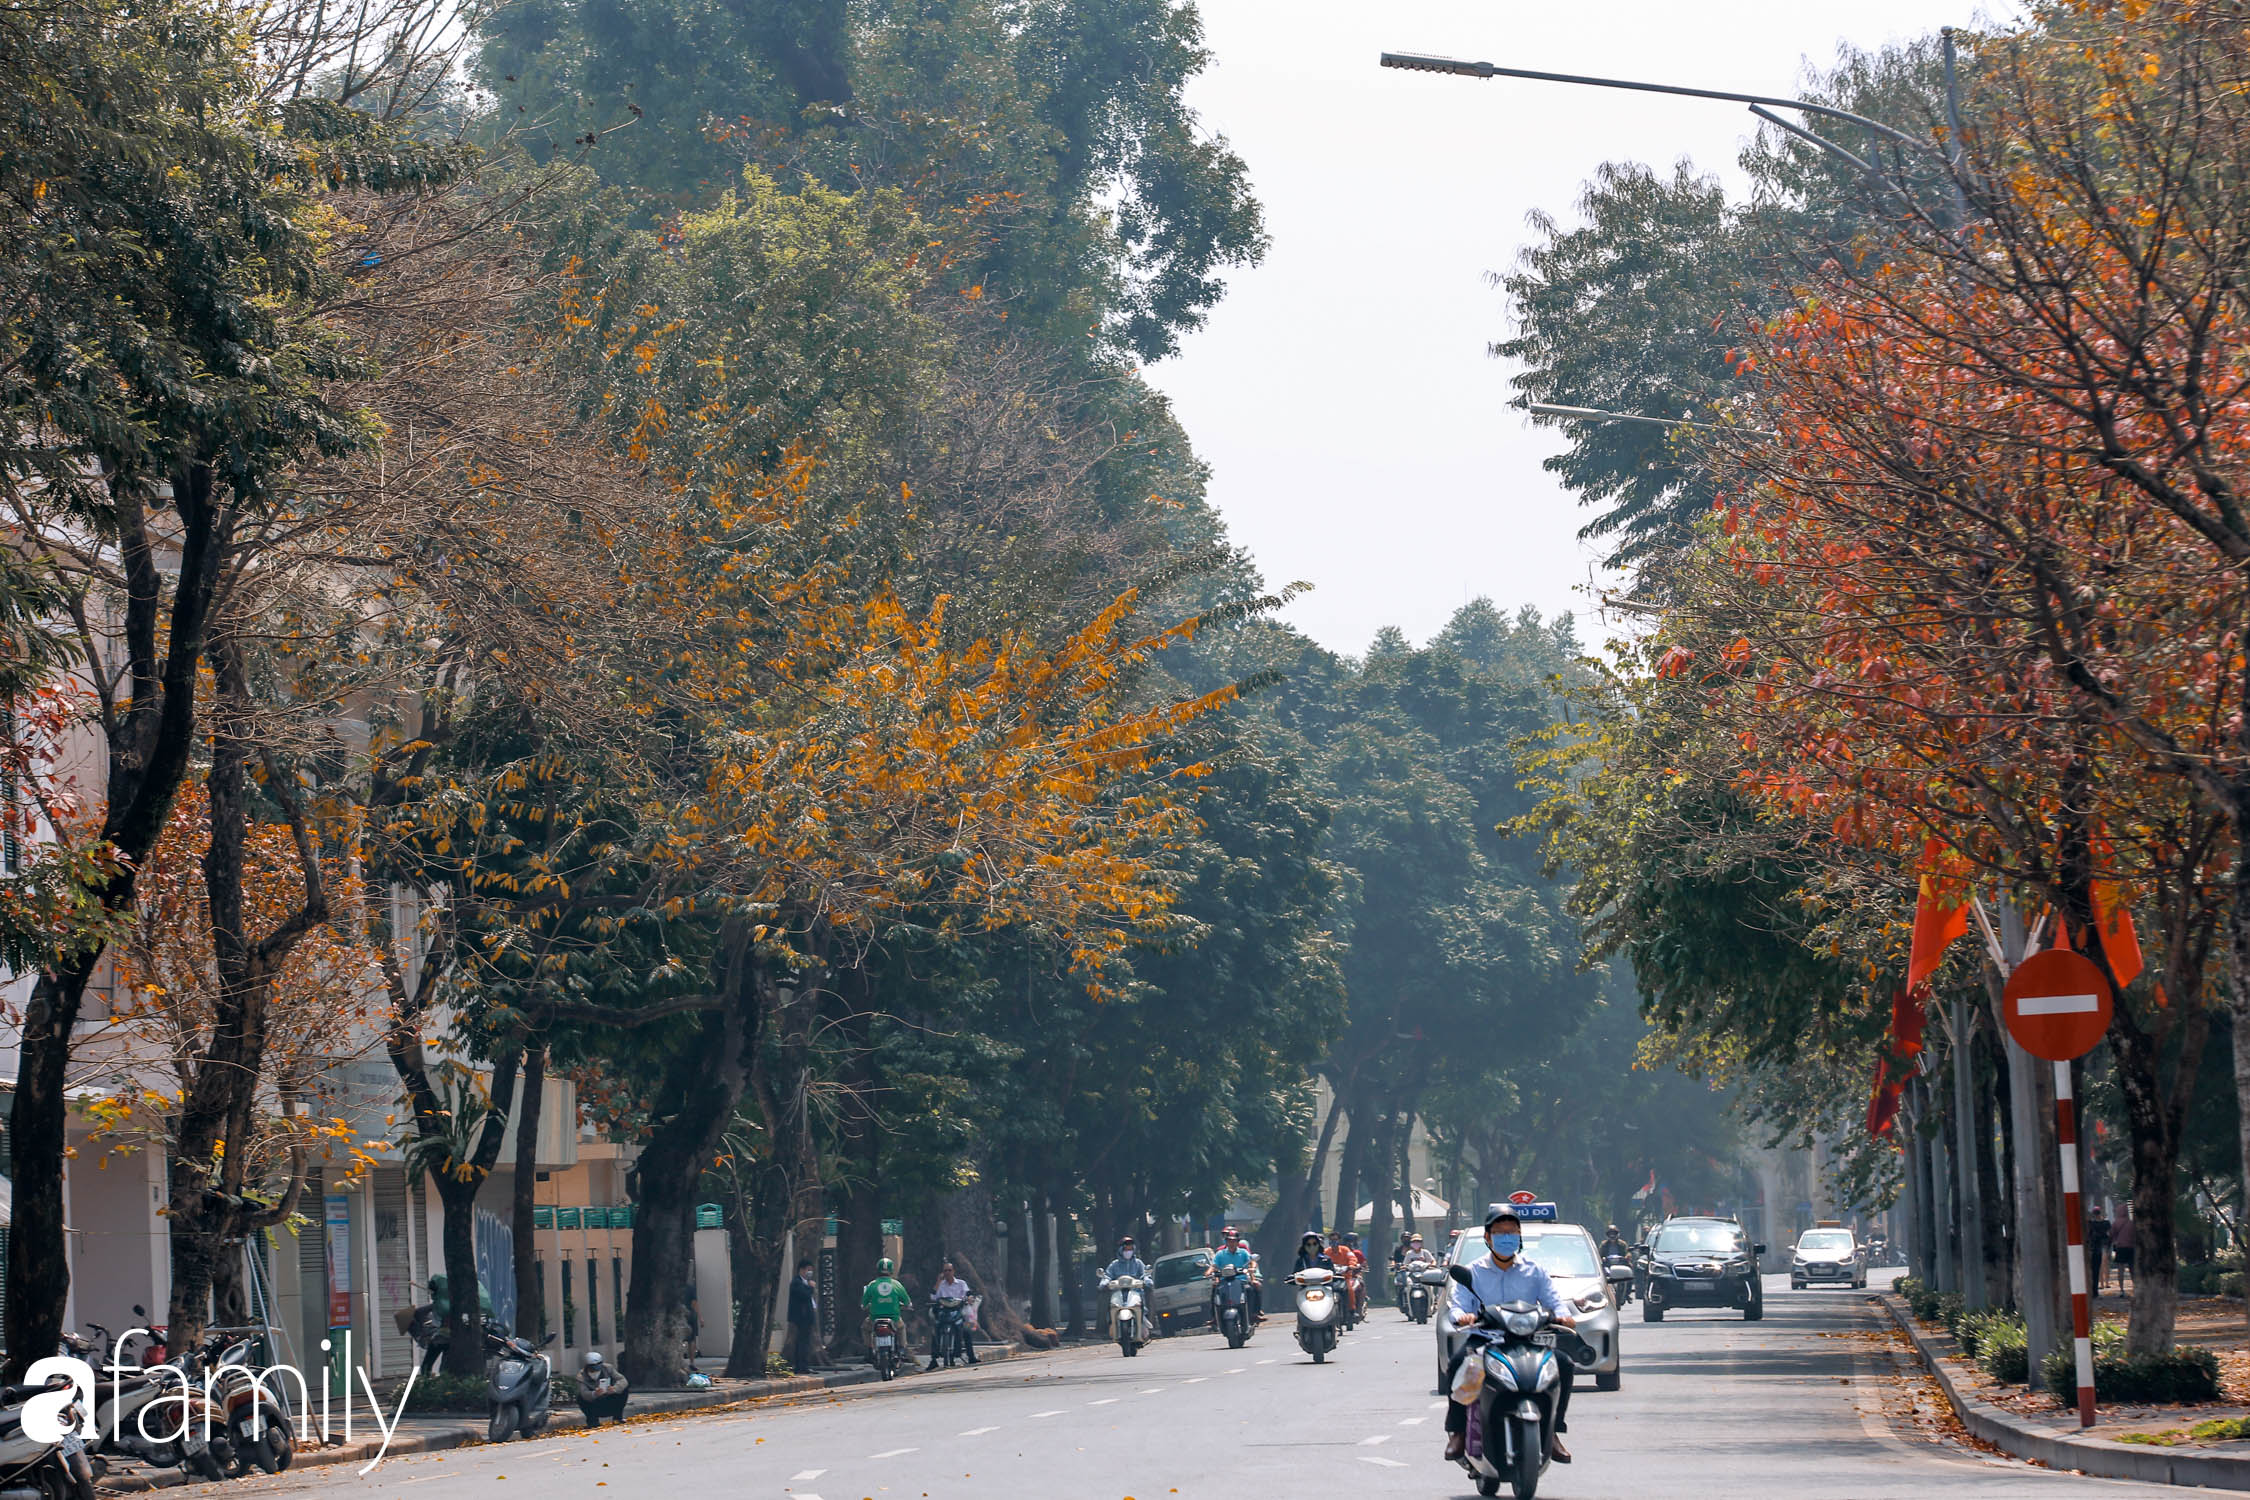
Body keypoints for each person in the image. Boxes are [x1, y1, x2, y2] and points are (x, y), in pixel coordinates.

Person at [1443, 1205, 1578, 1467]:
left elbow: (1555, 1301)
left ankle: (1553, 1433)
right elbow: (1457, 1305)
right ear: (1487, 1237)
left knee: (1563, 1364)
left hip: (1527, 1341)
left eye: (1512, 1232)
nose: (1506, 1237)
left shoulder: (1534, 1270)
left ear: (1519, 1236)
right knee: (1459, 1364)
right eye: (1499, 1232)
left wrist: (1563, 1315)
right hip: (1485, 1341)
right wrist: (1462, 1316)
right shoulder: (1473, 1272)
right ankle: (1458, 1431)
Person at [861, 1258, 913, 1362]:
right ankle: (902, 1350)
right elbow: (908, 1302)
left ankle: (870, 1350)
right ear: (891, 1270)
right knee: (902, 1328)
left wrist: (867, 1306)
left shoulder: (872, 1285)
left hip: (874, 1319)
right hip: (894, 1319)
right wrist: (907, 1306)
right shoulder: (896, 1284)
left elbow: (863, 1305)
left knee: (865, 1328)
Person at [929, 1261, 979, 1367]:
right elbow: (933, 1297)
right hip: (944, 1312)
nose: (947, 1273)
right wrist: (938, 1281)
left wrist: (969, 1298)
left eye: (949, 1270)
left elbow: (968, 1294)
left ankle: (971, 1357)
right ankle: (933, 1360)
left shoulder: (961, 1283)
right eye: (945, 1271)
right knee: (935, 1330)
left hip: (957, 1311)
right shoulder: (941, 1285)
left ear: (953, 1271)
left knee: (966, 1331)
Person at [1101, 1237, 1151, 1341]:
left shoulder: (1138, 1263)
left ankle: (1142, 1325)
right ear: (1120, 1250)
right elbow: (1107, 1276)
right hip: (1118, 1292)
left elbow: (1144, 1275)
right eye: (1126, 1249)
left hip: (1135, 1292)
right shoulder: (1114, 1264)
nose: (1128, 1251)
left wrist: (1147, 1280)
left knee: (1141, 1306)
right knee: (1111, 1306)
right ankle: (1112, 1325)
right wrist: (1104, 1282)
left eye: (1130, 1249)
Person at [1209, 1226, 1260, 1325]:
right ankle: (1215, 1316)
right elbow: (1214, 1265)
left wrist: (1252, 1268)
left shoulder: (1243, 1252)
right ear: (1226, 1242)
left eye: (1233, 1241)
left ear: (1238, 1242)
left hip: (1241, 1280)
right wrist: (1209, 1272)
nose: (1231, 1243)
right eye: (1229, 1241)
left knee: (1252, 1289)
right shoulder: (1220, 1253)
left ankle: (1254, 1313)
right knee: (1215, 1289)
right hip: (1225, 1280)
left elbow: (1251, 1261)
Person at [576, 1350, 630, 1427]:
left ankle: (618, 1418)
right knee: (580, 1397)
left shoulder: (608, 1368)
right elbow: (584, 1393)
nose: (597, 1367)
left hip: (609, 1398)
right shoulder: (581, 1376)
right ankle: (593, 1421)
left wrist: (614, 1389)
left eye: (599, 1364)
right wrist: (594, 1394)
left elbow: (622, 1380)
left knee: (624, 1389)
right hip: (595, 1403)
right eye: (593, 1365)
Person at [787, 1259, 821, 1374]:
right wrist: (811, 1288)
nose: (809, 1272)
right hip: (801, 1317)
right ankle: (801, 1366)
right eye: (808, 1270)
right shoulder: (796, 1282)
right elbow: (804, 1295)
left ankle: (803, 1365)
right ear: (801, 1270)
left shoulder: (805, 1282)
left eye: (811, 1270)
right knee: (802, 1342)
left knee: (805, 1342)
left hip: (807, 1317)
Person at [2086, 1206, 2113, 1292]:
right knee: (2105, 1264)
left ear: (2094, 1214)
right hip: (2105, 1245)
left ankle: (2102, 1284)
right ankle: (2106, 1283)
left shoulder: (2092, 1224)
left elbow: (2089, 1236)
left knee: (2100, 1265)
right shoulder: (2107, 1223)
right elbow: (2110, 1234)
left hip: (2097, 1246)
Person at [2112, 1207, 2136, 1290]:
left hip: (2120, 1248)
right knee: (2132, 1269)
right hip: (2131, 1248)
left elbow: (2112, 1235)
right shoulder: (2131, 1223)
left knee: (2120, 1270)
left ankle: (2122, 1290)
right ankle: (2135, 1287)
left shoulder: (2116, 1223)